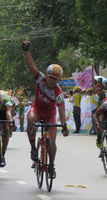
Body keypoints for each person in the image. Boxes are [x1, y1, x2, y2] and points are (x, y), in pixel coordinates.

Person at [23, 37, 68, 178]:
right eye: (50, 76)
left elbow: (61, 110)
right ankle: (32, 149)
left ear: (58, 80)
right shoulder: (40, 78)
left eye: (55, 78)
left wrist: (64, 125)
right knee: (30, 119)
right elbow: (32, 66)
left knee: (52, 140)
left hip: (49, 114)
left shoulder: (59, 93)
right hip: (37, 109)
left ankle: (52, 165)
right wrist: (26, 51)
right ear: (46, 75)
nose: (51, 80)